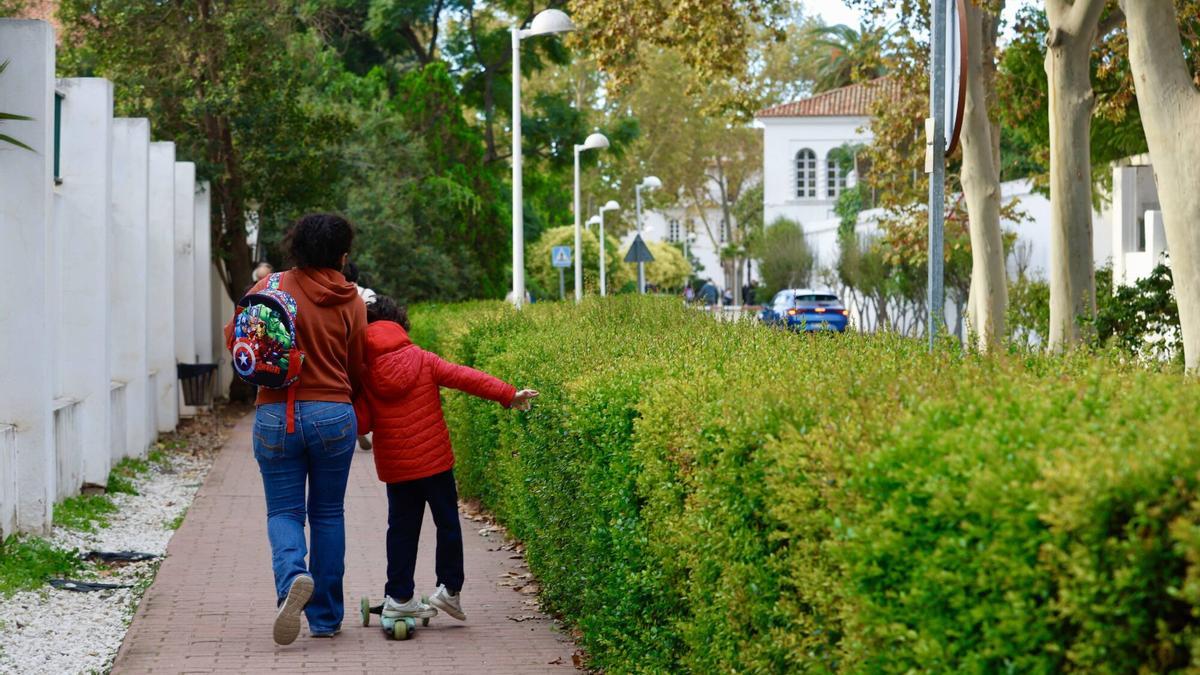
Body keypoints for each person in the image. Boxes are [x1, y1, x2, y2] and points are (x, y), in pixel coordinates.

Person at [225, 213, 367, 644]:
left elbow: (234, 338)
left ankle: (292, 580)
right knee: (328, 514)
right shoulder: (350, 299)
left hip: (274, 414)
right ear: (341, 255)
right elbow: (358, 367)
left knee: (284, 512)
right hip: (333, 414)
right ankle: (325, 619)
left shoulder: (268, 287)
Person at [353, 295, 538, 625]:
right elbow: (465, 377)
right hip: (435, 462)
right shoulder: (422, 359)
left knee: (401, 530)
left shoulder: (365, 372)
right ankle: (449, 590)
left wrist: (352, 392)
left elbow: (363, 424)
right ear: (399, 326)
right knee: (447, 524)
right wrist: (509, 394)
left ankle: (399, 597)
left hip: (397, 467)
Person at [342, 261, 377, 451]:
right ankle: (364, 425)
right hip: (364, 349)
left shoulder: (333, 293)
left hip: (340, 350)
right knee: (365, 390)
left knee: (347, 391)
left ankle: (354, 426)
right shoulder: (367, 294)